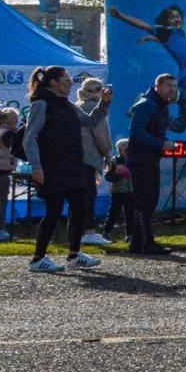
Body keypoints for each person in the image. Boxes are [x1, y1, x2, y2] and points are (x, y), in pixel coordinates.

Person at [25, 66, 99, 272]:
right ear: (53, 83)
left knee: (80, 207)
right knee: (54, 211)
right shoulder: (41, 104)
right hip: (52, 166)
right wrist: (36, 166)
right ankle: (38, 258)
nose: (69, 84)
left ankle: (75, 254)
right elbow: (29, 137)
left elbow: (90, 121)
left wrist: (104, 103)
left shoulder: (67, 104)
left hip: (72, 165)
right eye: (66, 80)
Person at [126, 72, 186, 256]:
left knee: (149, 201)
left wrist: (163, 142)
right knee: (145, 201)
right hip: (141, 159)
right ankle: (147, 243)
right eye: (167, 85)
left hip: (150, 157)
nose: (171, 89)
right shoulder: (147, 105)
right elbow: (136, 132)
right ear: (157, 87)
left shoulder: (161, 106)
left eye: (173, 86)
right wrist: (161, 144)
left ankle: (137, 244)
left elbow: (155, 130)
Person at [108, 4, 186, 105]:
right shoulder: (166, 33)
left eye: (178, 16)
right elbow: (142, 25)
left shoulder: (177, 33)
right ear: (166, 22)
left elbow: (168, 43)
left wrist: (149, 38)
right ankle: (145, 99)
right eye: (172, 17)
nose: (177, 19)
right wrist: (120, 15)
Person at [74, 77, 116, 248]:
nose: (102, 91)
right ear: (90, 92)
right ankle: (89, 231)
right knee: (89, 195)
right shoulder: (93, 108)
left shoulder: (78, 106)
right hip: (89, 157)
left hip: (77, 157)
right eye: (99, 89)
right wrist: (108, 154)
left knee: (78, 198)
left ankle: (80, 231)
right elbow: (101, 135)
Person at [0, 106, 18, 243]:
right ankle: (0, 229)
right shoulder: (7, 133)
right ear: (6, 119)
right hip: (1, 169)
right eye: (13, 117)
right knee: (2, 201)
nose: (16, 120)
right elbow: (13, 147)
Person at [102, 139, 134, 242]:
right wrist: (116, 173)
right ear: (120, 149)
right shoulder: (114, 161)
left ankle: (130, 235)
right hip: (118, 191)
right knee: (114, 213)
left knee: (130, 213)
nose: (128, 151)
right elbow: (108, 177)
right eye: (125, 148)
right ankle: (106, 233)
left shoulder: (133, 161)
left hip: (131, 191)